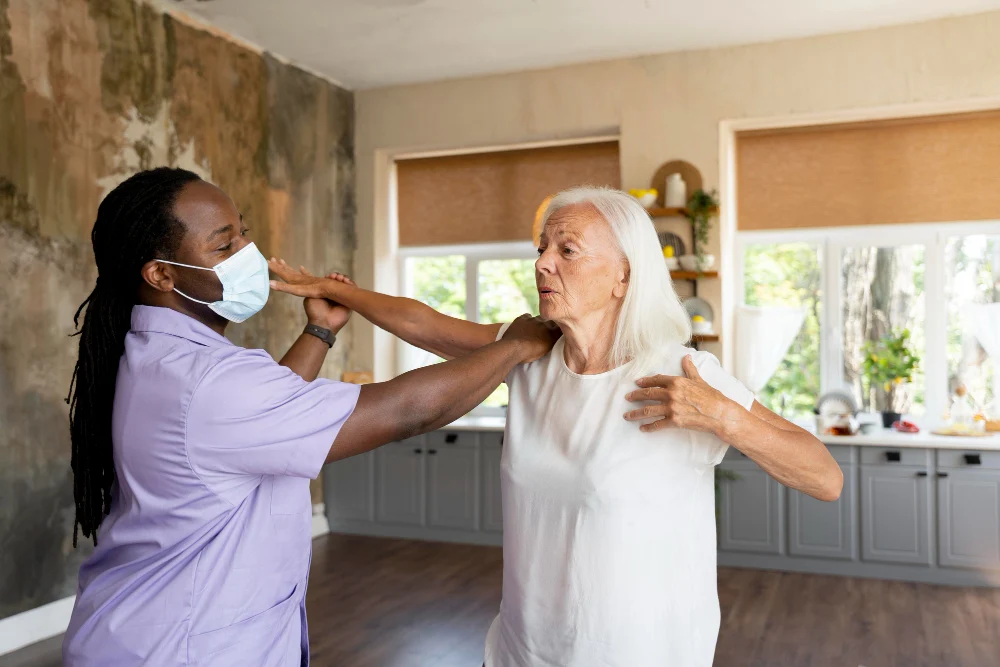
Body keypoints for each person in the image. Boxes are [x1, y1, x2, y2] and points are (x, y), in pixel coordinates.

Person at [269, 185, 843, 667]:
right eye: (542, 248)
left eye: (567, 250)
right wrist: (334, 292)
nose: (542, 263)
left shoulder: (682, 372)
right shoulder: (529, 352)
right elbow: (428, 325)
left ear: (624, 277)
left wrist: (724, 416)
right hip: (523, 649)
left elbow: (824, 476)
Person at [61, 167, 557, 666]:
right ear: (162, 274)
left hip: (139, 626)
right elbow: (406, 411)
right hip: (182, 646)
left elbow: (265, 416)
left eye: (243, 234)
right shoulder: (209, 382)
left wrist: (319, 332)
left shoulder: (159, 356)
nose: (247, 256)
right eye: (223, 247)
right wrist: (513, 348)